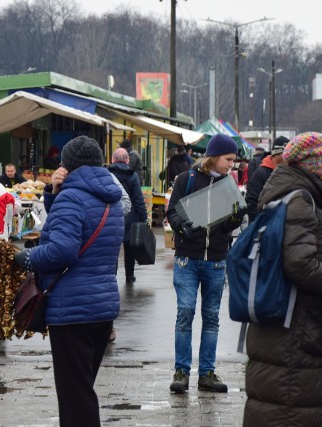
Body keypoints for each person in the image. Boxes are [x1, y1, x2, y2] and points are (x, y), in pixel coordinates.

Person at [243, 132, 322, 426]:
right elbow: (300, 263)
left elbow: (312, 229)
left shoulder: (298, 197)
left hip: (294, 335)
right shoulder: (300, 200)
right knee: (295, 414)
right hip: (297, 340)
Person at [14, 136, 124, 426]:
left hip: (72, 310)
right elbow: (73, 228)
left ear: (67, 165)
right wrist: (55, 194)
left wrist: (25, 258)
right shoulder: (110, 198)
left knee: (76, 398)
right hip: (102, 308)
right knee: (83, 389)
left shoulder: (73, 198)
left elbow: (62, 250)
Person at [166, 134, 246, 394]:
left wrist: (235, 220)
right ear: (214, 157)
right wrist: (182, 226)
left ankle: (207, 373)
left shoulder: (229, 185)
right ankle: (181, 371)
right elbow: (172, 211)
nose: (231, 165)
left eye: (233, 160)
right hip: (187, 258)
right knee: (185, 312)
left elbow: (226, 226)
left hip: (215, 260)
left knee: (211, 317)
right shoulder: (186, 179)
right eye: (228, 159)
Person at [108, 148, 148, 283]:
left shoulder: (107, 174)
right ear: (127, 160)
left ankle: (111, 275)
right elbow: (138, 199)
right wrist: (144, 218)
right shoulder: (132, 176)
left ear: (113, 159)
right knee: (129, 249)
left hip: (112, 216)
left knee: (112, 248)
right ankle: (129, 276)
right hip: (130, 217)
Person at [245, 144, 286, 221]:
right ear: (276, 155)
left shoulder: (285, 171)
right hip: (263, 222)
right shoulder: (261, 172)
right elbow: (252, 200)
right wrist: (260, 222)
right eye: (285, 153)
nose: (288, 157)